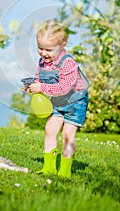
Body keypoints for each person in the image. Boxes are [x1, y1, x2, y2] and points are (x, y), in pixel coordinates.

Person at [24, 20, 89, 178]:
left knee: (67, 134)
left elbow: (64, 88)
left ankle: (65, 171)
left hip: (75, 102)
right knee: (50, 130)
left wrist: (42, 88)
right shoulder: (43, 62)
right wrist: (33, 85)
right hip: (58, 101)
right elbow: (41, 80)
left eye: (49, 49)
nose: (44, 53)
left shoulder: (68, 63)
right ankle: (49, 168)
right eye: (40, 48)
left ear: (62, 45)